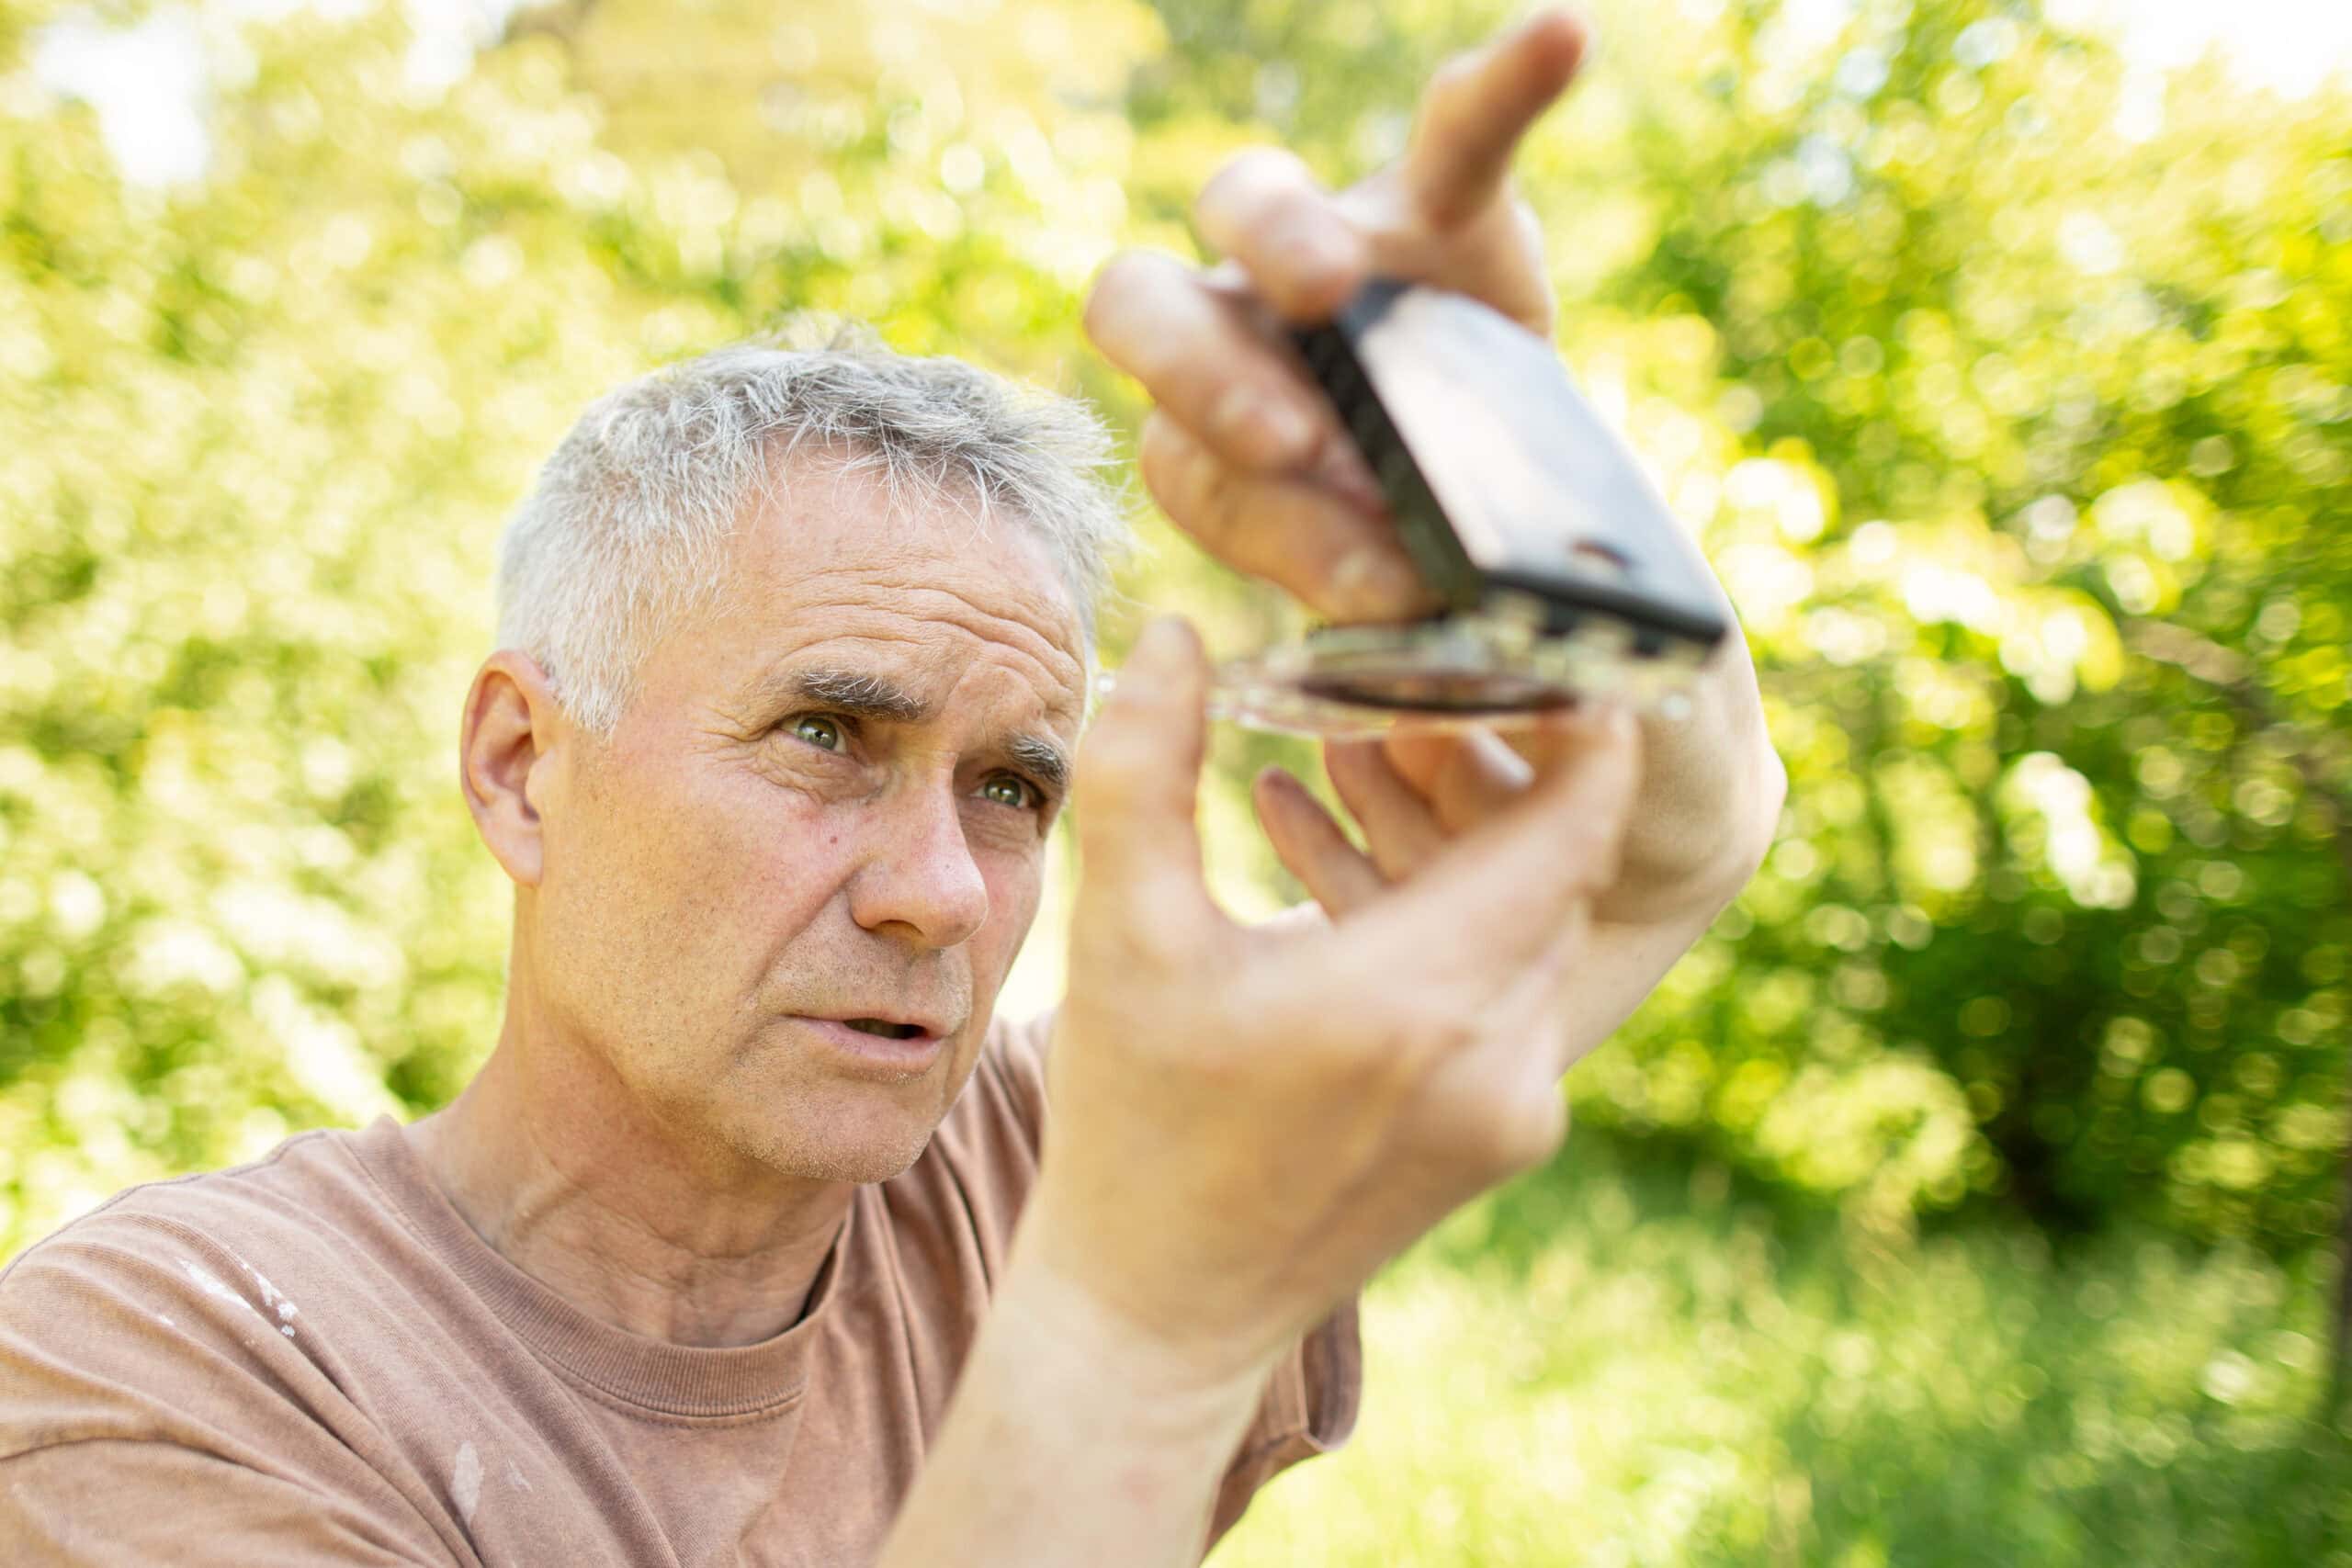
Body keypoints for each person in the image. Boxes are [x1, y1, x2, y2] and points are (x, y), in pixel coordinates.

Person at [0, 11, 1781, 1564]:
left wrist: (1546, 531)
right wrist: (1133, 1340)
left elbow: (1649, 860)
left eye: (1011, 783)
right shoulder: (155, 1378)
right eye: (825, 738)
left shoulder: (1049, 1166)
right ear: (521, 766)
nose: (935, 889)